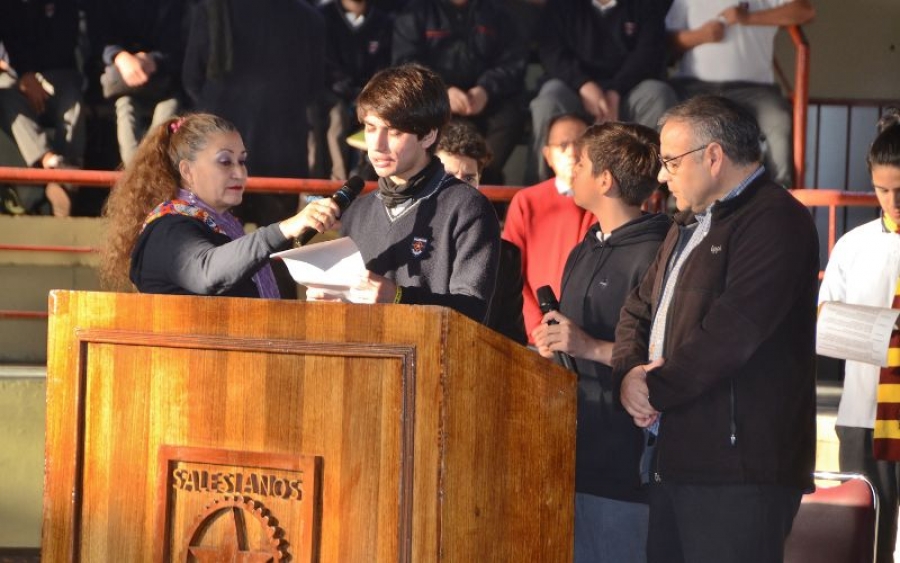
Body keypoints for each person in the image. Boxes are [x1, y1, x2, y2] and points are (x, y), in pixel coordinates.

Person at [614, 95, 819, 563]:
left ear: (713, 156)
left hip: (741, 469)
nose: (662, 177)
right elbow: (637, 310)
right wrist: (627, 375)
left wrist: (653, 389)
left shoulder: (776, 220)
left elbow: (731, 334)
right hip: (676, 457)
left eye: (669, 162)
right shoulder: (687, 223)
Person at [531, 121, 671, 563]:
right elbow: (571, 342)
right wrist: (553, 344)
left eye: (584, 162)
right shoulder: (585, 247)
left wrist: (588, 345)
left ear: (606, 180)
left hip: (625, 465)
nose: (573, 169)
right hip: (572, 453)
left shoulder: (658, 252)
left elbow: (667, 358)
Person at [310, 64, 500, 323]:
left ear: (428, 136)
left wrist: (398, 297)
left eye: (394, 132)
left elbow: (473, 313)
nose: (376, 145)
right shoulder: (357, 212)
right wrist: (331, 303)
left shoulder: (468, 207)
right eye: (370, 127)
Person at [98, 113, 341, 296]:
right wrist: (284, 228)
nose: (239, 172)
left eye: (242, 161)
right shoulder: (167, 229)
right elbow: (206, 272)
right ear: (188, 171)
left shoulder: (224, 227)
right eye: (225, 162)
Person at [182, 0, 326, 298]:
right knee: (281, 251)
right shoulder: (310, 18)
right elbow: (315, 88)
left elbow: (191, 79)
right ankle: (283, 332)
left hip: (220, 157)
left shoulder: (212, 9)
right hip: (283, 156)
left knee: (218, 250)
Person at [818, 108, 900, 563]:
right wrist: (882, 331)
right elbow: (825, 326)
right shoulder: (854, 244)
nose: (892, 201)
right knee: (864, 535)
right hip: (863, 410)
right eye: (882, 190)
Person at [664, 0, 815, 188]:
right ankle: (672, 194)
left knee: (778, 119)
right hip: (694, 86)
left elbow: (804, 11)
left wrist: (749, 17)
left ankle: (780, 193)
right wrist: (699, 36)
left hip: (755, 89)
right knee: (669, 113)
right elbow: (664, 39)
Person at [528, 0, 676, 183]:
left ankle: (648, 190)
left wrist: (615, 90)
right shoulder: (561, 5)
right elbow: (551, 51)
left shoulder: (645, 6)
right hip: (575, 89)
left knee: (658, 94)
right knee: (548, 101)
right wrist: (584, 84)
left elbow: (649, 54)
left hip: (628, 91)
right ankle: (538, 188)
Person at [391, 0, 528, 185]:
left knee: (512, 114)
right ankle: (442, 183)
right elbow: (405, 63)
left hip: (487, 101)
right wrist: (442, 90)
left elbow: (513, 61)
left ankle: (483, 178)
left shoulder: (498, 12)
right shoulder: (416, 11)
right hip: (434, 103)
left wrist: (485, 90)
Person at [502, 113, 594, 344]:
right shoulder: (526, 201)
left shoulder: (606, 200)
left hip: (590, 334)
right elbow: (511, 275)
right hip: (536, 336)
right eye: (563, 145)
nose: (573, 152)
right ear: (547, 156)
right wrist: (537, 330)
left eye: (581, 143)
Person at [436, 118, 526, 343]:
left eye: (468, 178)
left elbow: (512, 341)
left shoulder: (505, 257)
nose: (459, 188)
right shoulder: (404, 240)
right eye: (447, 177)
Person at [0, 0, 84, 216]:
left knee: (72, 101)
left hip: (60, 75)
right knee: (7, 97)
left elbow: (65, 43)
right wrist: (25, 74)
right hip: (16, 76)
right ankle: (52, 163)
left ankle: (64, 180)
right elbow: (11, 38)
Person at [85, 0, 185, 165]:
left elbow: (177, 44)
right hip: (122, 81)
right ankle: (137, 171)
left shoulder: (168, 7)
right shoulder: (106, 7)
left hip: (162, 81)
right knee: (126, 104)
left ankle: (150, 166)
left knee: (169, 108)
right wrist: (119, 56)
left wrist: (153, 60)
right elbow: (99, 39)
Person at [309, 0, 393, 181]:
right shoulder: (320, 17)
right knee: (336, 118)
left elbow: (385, 67)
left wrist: (368, 95)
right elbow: (323, 66)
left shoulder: (384, 21)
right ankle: (335, 186)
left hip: (373, 97)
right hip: (331, 98)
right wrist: (352, 94)